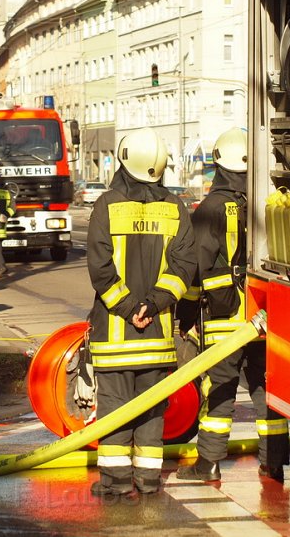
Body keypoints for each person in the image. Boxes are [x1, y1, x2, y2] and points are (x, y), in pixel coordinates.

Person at [175, 127, 290, 483]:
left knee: (220, 390)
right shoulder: (266, 202)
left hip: (226, 319)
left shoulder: (209, 208)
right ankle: (273, 463)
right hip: (264, 313)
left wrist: (187, 314)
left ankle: (208, 463)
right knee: (265, 389)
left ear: (218, 162)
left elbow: (198, 268)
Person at [86, 127, 197, 497]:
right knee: (152, 412)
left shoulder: (106, 206)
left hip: (114, 338)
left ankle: (116, 484)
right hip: (157, 337)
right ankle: (149, 481)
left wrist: (130, 307)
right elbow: (184, 269)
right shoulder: (175, 208)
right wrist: (153, 304)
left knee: (116, 411)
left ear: (122, 160)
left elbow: (101, 270)